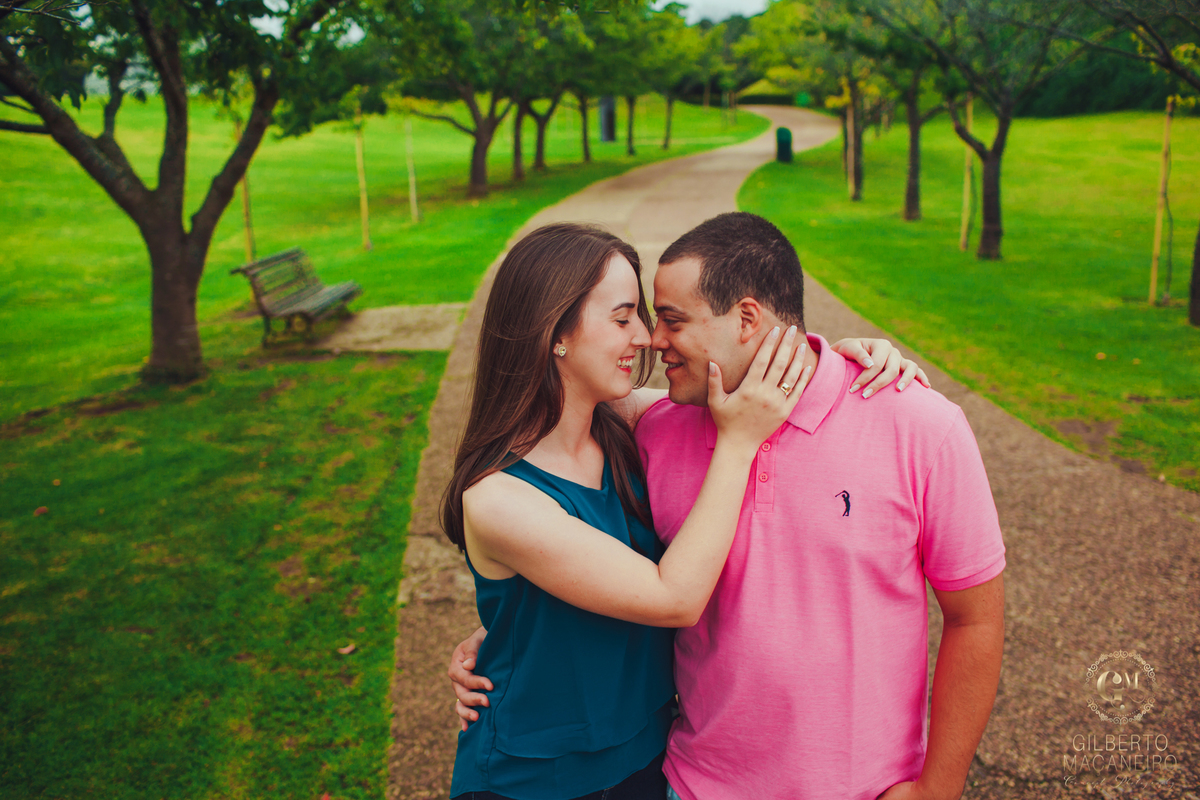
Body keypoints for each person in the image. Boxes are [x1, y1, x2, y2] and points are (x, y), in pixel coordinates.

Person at [451, 213, 1006, 800]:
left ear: (746, 319)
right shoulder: (644, 437)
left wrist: (936, 791)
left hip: (710, 772)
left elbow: (975, 617)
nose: (649, 338)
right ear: (553, 332)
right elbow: (659, 590)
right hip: (643, 781)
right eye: (627, 317)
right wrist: (510, 626)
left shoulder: (916, 424)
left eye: (666, 319)